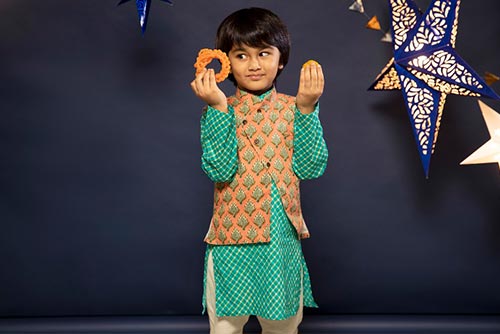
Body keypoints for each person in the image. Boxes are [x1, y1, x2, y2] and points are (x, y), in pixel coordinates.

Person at [190, 7, 328, 334]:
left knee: (281, 327)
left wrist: (308, 109)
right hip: (230, 239)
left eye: (264, 53)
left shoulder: (296, 107)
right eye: (241, 55)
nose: (253, 65)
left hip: (280, 241)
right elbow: (219, 169)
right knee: (224, 328)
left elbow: (311, 168)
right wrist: (218, 107)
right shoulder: (220, 109)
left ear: (280, 60)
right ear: (227, 63)